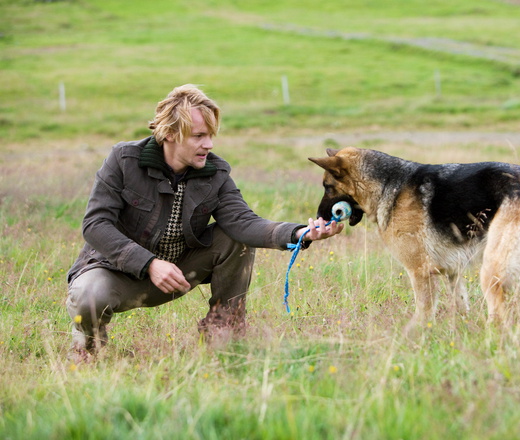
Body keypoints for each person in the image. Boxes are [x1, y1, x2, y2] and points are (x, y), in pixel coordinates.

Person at [66, 84, 343, 356]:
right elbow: (95, 224)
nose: (208, 144)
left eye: (211, 135)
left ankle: (224, 337)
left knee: (236, 238)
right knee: (90, 297)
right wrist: (148, 263)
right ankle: (89, 348)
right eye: (199, 136)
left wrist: (300, 233)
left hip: (179, 274)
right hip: (117, 273)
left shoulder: (215, 172)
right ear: (171, 133)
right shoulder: (124, 160)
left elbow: (243, 222)